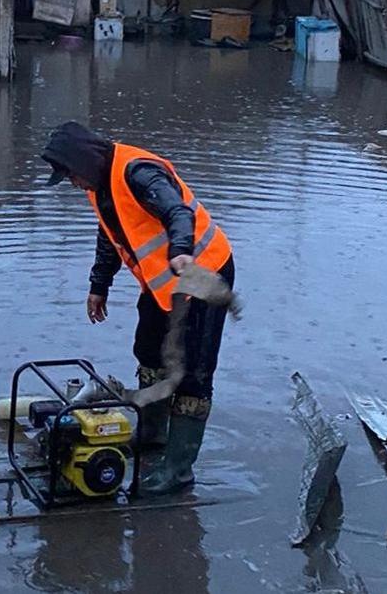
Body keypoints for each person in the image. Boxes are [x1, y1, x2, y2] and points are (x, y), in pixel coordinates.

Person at [41, 122, 235, 495]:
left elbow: (179, 212)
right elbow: (111, 234)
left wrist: (180, 250)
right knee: (148, 350)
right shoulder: (100, 187)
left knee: (193, 374)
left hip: (203, 270)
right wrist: (100, 285)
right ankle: (151, 437)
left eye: (72, 176)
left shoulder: (137, 171)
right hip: (163, 283)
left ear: (84, 160)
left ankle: (177, 470)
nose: (74, 185)